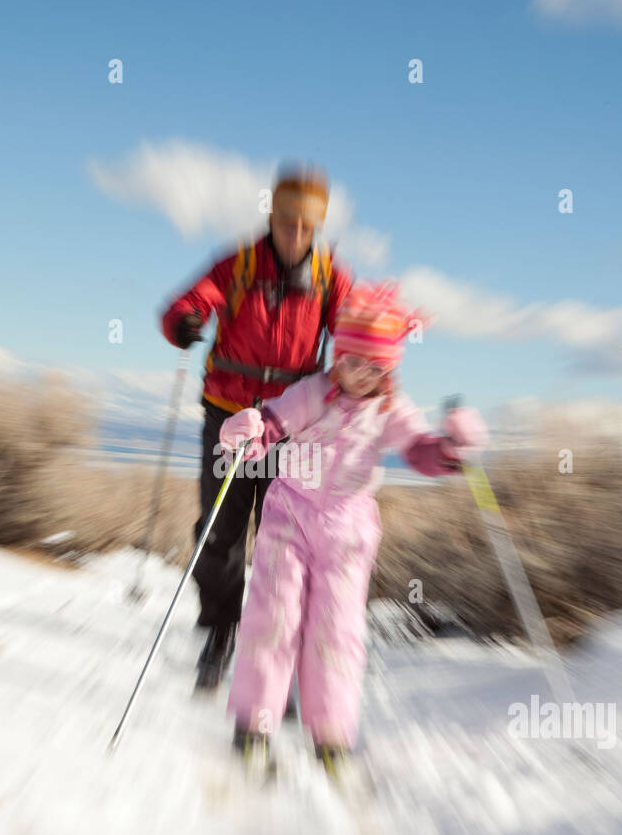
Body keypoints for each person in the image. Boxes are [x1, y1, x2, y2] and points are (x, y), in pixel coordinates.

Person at [218, 282, 487, 776]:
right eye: (352, 361)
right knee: (272, 616)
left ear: (390, 371)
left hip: (349, 529)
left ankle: (331, 736)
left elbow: (419, 451)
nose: (361, 374)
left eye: (376, 366)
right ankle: (253, 727)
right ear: (337, 357)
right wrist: (248, 431)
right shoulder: (313, 392)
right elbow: (273, 424)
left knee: (337, 630)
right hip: (290, 515)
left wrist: (451, 450)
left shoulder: (391, 410)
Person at [159, 165, 355, 689]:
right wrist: (185, 321)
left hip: (292, 426)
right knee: (221, 529)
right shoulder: (240, 264)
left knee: (283, 537)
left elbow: (358, 329)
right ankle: (221, 628)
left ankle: (276, 642)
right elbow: (191, 300)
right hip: (229, 417)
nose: (296, 234)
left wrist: (380, 353)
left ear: (317, 229)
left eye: (307, 226)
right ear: (273, 217)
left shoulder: (331, 276)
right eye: (287, 221)